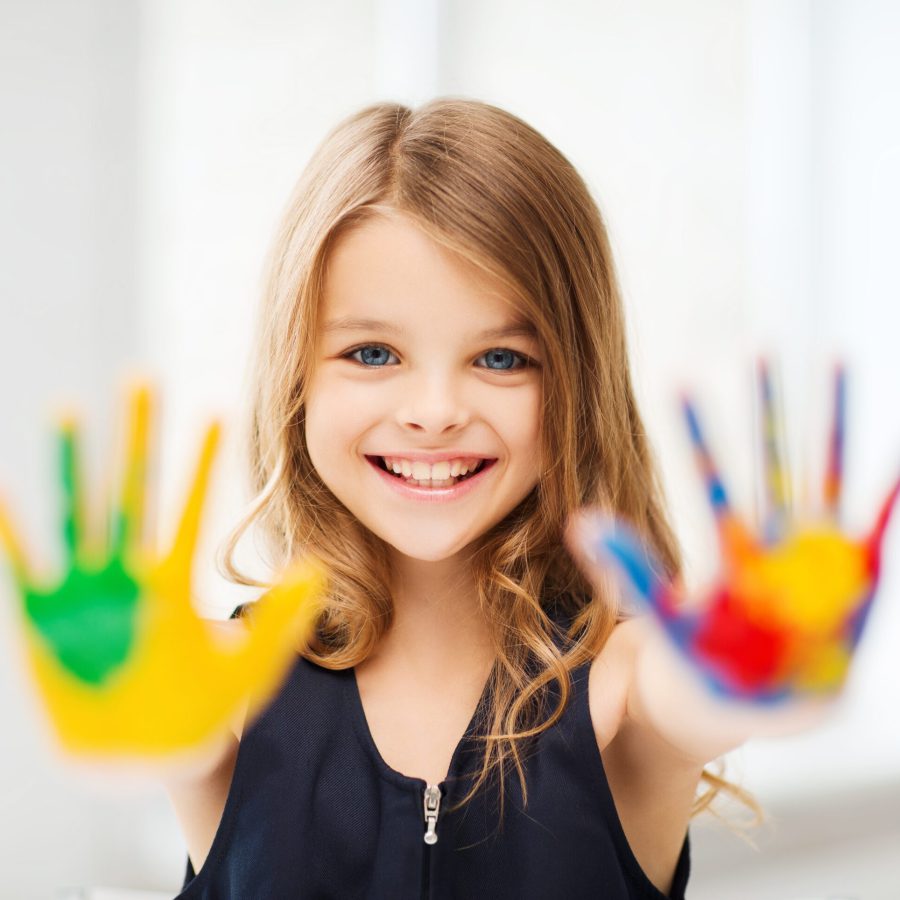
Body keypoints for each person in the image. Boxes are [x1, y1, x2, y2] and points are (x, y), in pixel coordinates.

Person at [6, 97, 891, 900]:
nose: (435, 412)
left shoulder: (625, 693)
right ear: (296, 379)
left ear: (577, 382)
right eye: (373, 354)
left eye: (502, 358)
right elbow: (165, 731)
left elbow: (700, 698)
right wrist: (119, 687)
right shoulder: (220, 681)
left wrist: (767, 662)